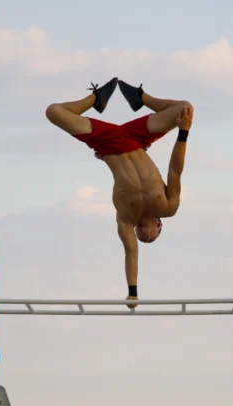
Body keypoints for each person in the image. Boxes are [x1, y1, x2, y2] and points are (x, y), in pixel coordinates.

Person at [45, 78, 194, 307]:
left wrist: (132, 293)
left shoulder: (126, 218)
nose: (146, 239)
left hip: (106, 143)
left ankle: (95, 100)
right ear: (159, 226)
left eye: (143, 240)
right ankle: (141, 98)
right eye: (152, 238)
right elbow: (175, 171)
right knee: (185, 108)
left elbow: (130, 253)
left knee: (53, 111)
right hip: (137, 138)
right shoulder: (168, 207)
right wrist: (183, 133)